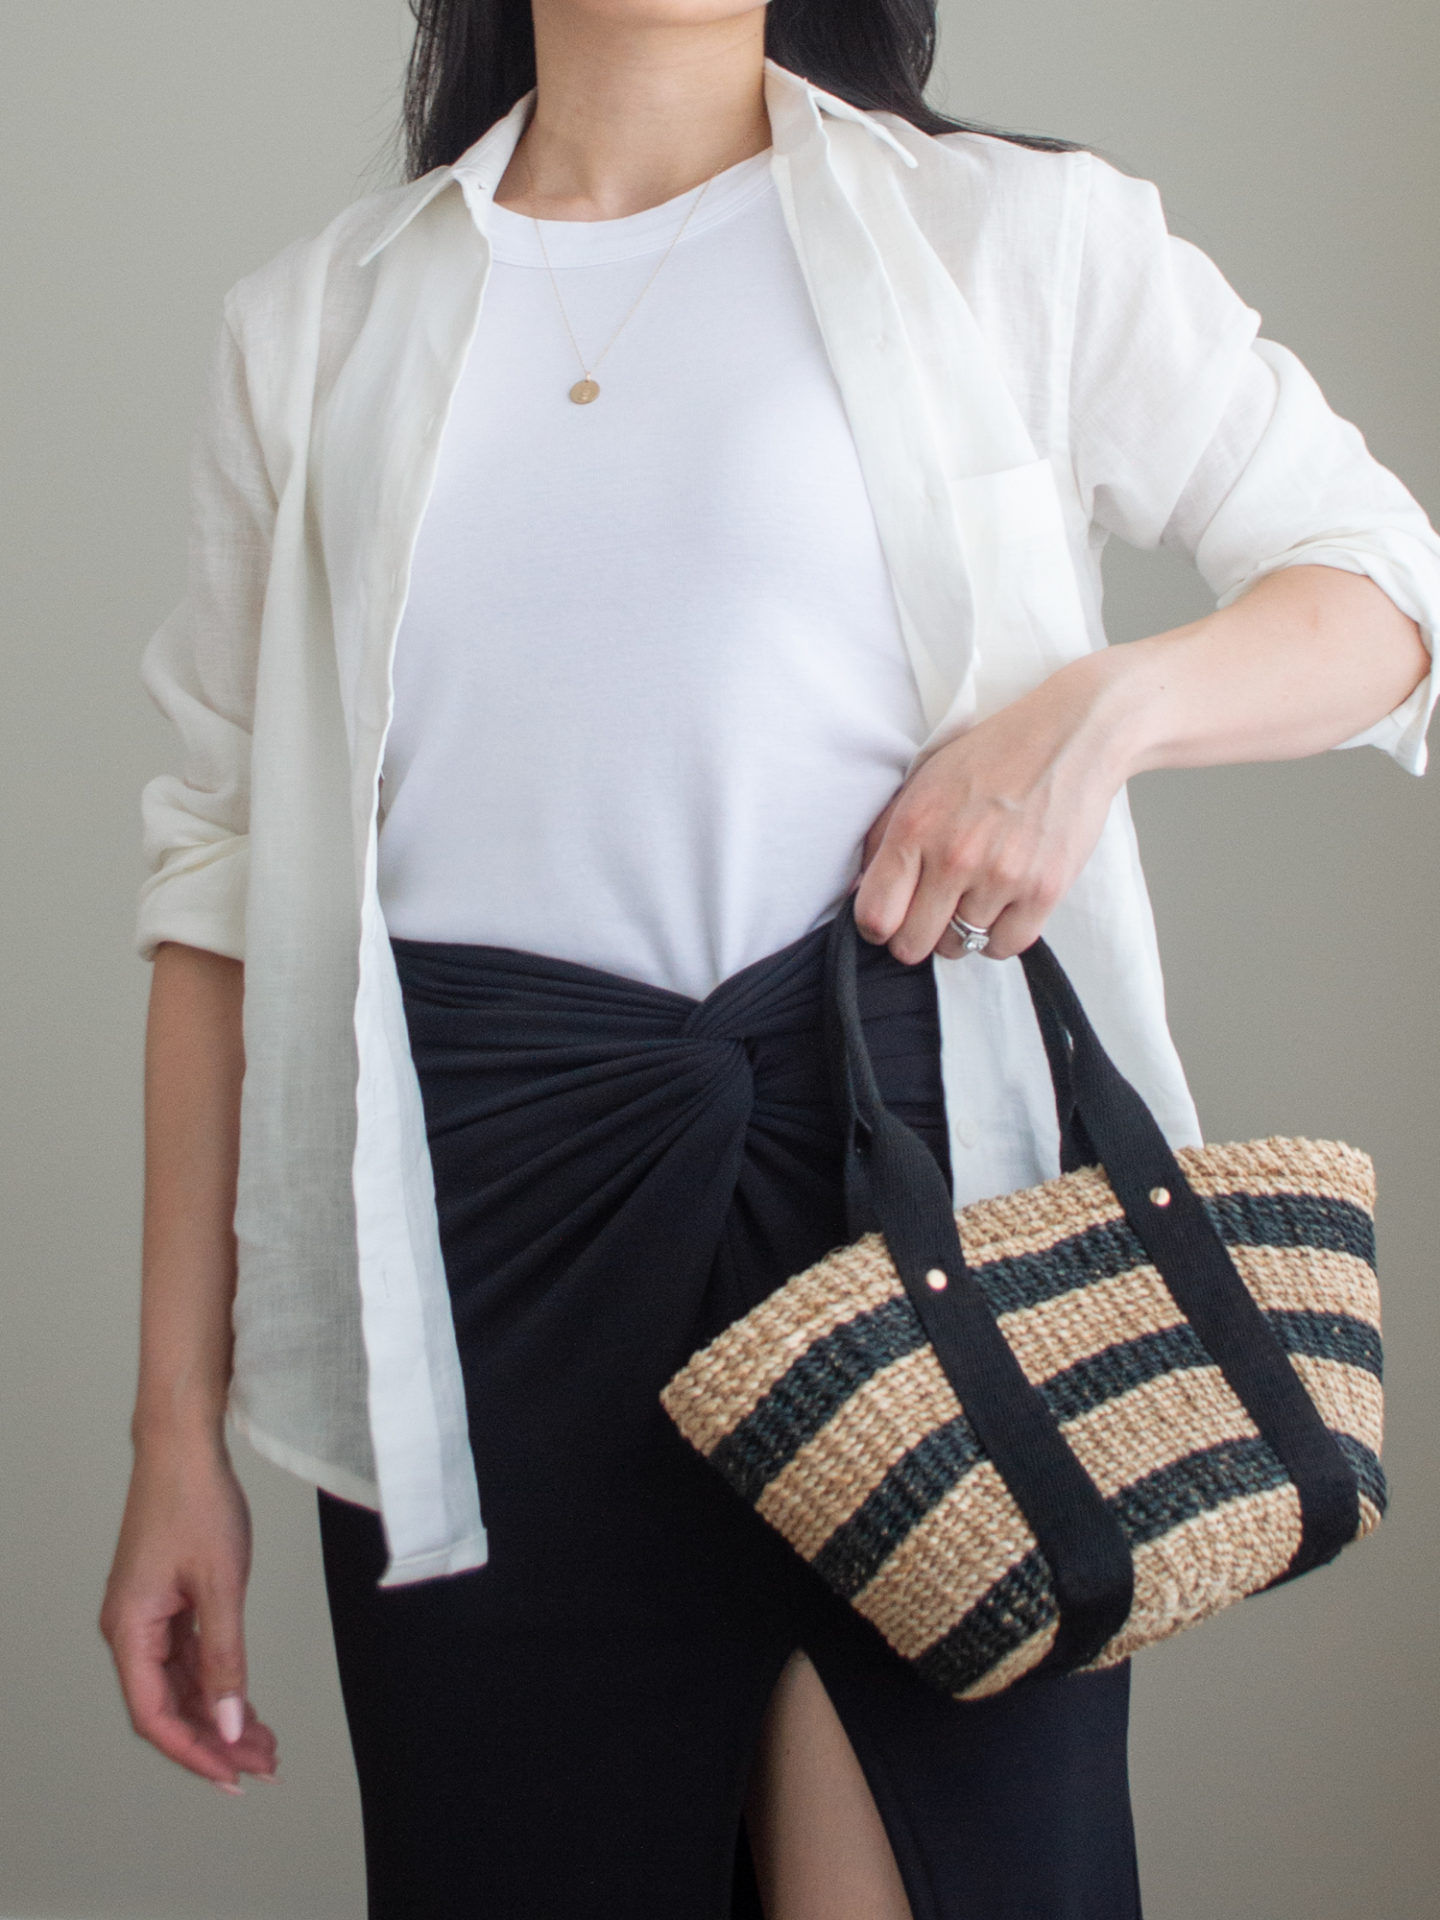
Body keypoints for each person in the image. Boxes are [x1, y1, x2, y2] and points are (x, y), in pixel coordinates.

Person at [100, 0, 1440, 1912]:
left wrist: (1094, 721)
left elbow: (1387, 592)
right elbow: (217, 894)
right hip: (475, 1266)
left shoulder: (1007, 235)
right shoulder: (312, 324)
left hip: (906, 1222)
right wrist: (176, 1440)